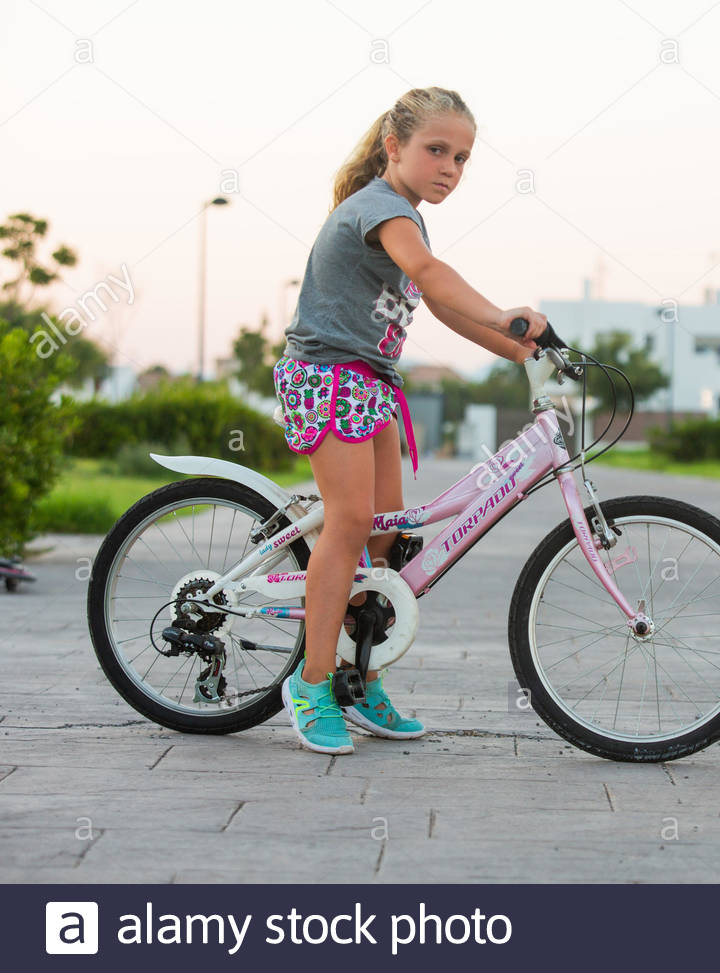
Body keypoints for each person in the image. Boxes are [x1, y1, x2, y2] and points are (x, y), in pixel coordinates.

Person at [273, 86, 548, 754]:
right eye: (436, 150)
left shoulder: (407, 217)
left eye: (461, 157)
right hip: (327, 377)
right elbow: (428, 271)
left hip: (372, 383)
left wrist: (520, 349)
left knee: (387, 543)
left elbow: (444, 306)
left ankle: (356, 676)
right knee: (351, 523)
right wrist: (505, 311)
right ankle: (311, 686)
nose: (450, 167)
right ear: (394, 147)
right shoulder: (381, 208)